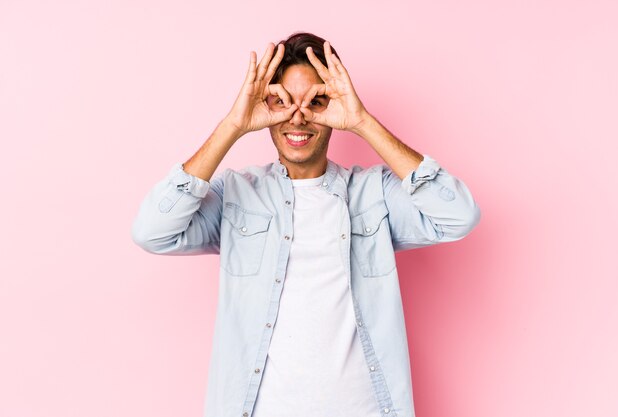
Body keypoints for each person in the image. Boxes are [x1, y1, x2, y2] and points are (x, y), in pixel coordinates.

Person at [132, 32, 480, 417]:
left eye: (316, 102)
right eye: (281, 102)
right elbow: (152, 231)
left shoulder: (372, 195)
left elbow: (458, 216)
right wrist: (233, 124)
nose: (297, 117)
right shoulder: (236, 195)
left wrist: (362, 121)